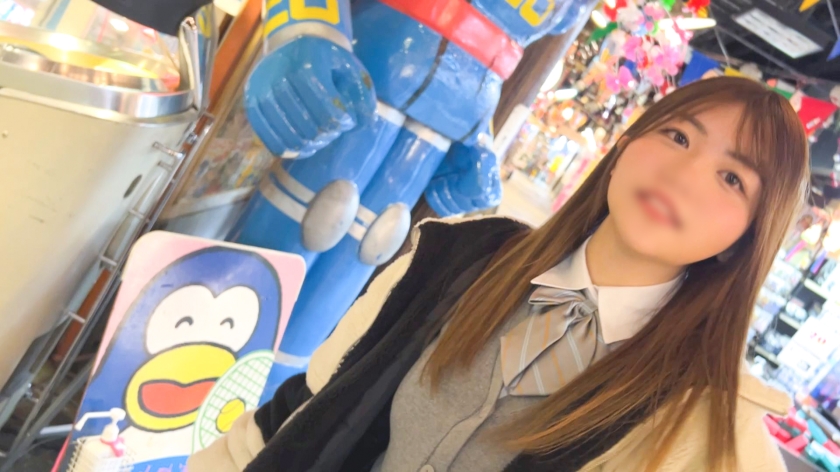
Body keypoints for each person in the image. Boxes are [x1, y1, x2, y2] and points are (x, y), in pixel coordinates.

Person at [188, 76, 808, 471]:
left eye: (732, 178)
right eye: (677, 137)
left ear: (746, 239)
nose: (684, 174)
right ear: (625, 145)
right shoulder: (455, 256)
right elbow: (308, 406)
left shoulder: (703, 423)